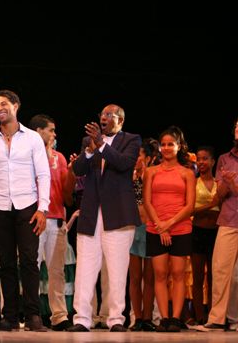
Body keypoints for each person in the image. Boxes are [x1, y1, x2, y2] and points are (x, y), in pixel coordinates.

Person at [0, 90, 51, 332]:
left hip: (27, 206)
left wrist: (43, 208)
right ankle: (9, 316)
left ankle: (33, 317)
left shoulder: (32, 138)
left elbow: (43, 174)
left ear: (16, 106)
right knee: (6, 263)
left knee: (29, 261)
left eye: (4, 104)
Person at [69, 104, 141, 332]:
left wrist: (101, 144)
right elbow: (79, 169)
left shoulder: (131, 139)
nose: (103, 117)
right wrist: (89, 150)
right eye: (102, 114)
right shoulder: (88, 140)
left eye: (109, 115)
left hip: (118, 213)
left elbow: (123, 164)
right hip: (91, 213)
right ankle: (81, 319)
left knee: (117, 269)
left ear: (120, 120)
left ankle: (116, 319)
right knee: (85, 268)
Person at [203, 113, 238, 333]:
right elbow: (220, 194)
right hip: (228, 218)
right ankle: (216, 318)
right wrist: (225, 183)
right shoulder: (225, 158)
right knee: (221, 269)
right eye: (236, 125)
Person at [143, 126, 195, 332]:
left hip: (180, 227)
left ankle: (175, 318)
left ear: (179, 146)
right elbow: (147, 202)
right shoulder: (151, 172)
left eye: (170, 144)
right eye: (163, 144)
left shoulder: (187, 173)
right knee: (160, 274)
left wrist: (169, 224)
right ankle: (164, 318)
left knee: (179, 274)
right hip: (156, 227)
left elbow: (189, 205)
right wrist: (160, 226)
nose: (166, 148)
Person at [28, 114, 76, 331]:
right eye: (51, 130)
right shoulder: (26, 156)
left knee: (56, 270)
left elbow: (67, 195)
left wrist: (73, 172)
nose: (55, 135)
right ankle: (33, 315)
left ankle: (59, 316)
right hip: (34, 219)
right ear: (39, 132)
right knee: (32, 269)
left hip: (56, 219)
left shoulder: (60, 157)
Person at [128, 138, 159, 332]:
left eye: (138, 155)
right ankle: (137, 317)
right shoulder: (128, 177)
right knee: (134, 276)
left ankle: (148, 317)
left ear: (148, 157)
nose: (135, 158)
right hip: (133, 228)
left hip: (150, 228)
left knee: (150, 277)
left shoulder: (154, 176)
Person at [190, 146, 218, 326]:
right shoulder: (193, 182)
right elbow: (189, 210)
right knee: (198, 276)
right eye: (199, 159)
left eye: (205, 158)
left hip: (216, 232)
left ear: (213, 161)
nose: (201, 162)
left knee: (215, 277)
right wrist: (210, 205)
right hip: (198, 231)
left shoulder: (220, 183)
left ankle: (215, 315)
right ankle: (200, 315)